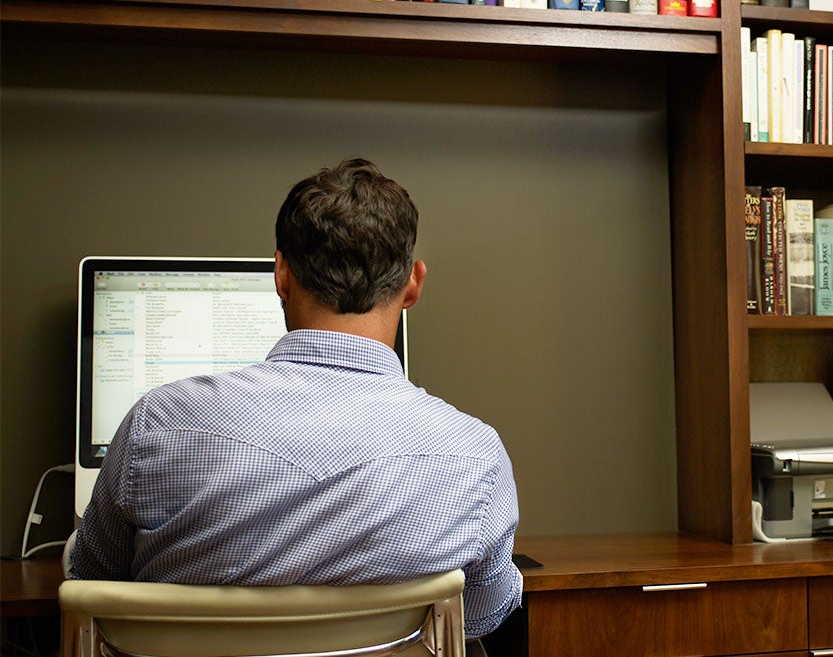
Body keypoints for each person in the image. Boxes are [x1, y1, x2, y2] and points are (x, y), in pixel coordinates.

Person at [69, 158, 523, 640]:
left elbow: (93, 587)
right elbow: (477, 618)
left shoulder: (155, 426)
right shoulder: (475, 458)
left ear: (281, 274)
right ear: (413, 283)